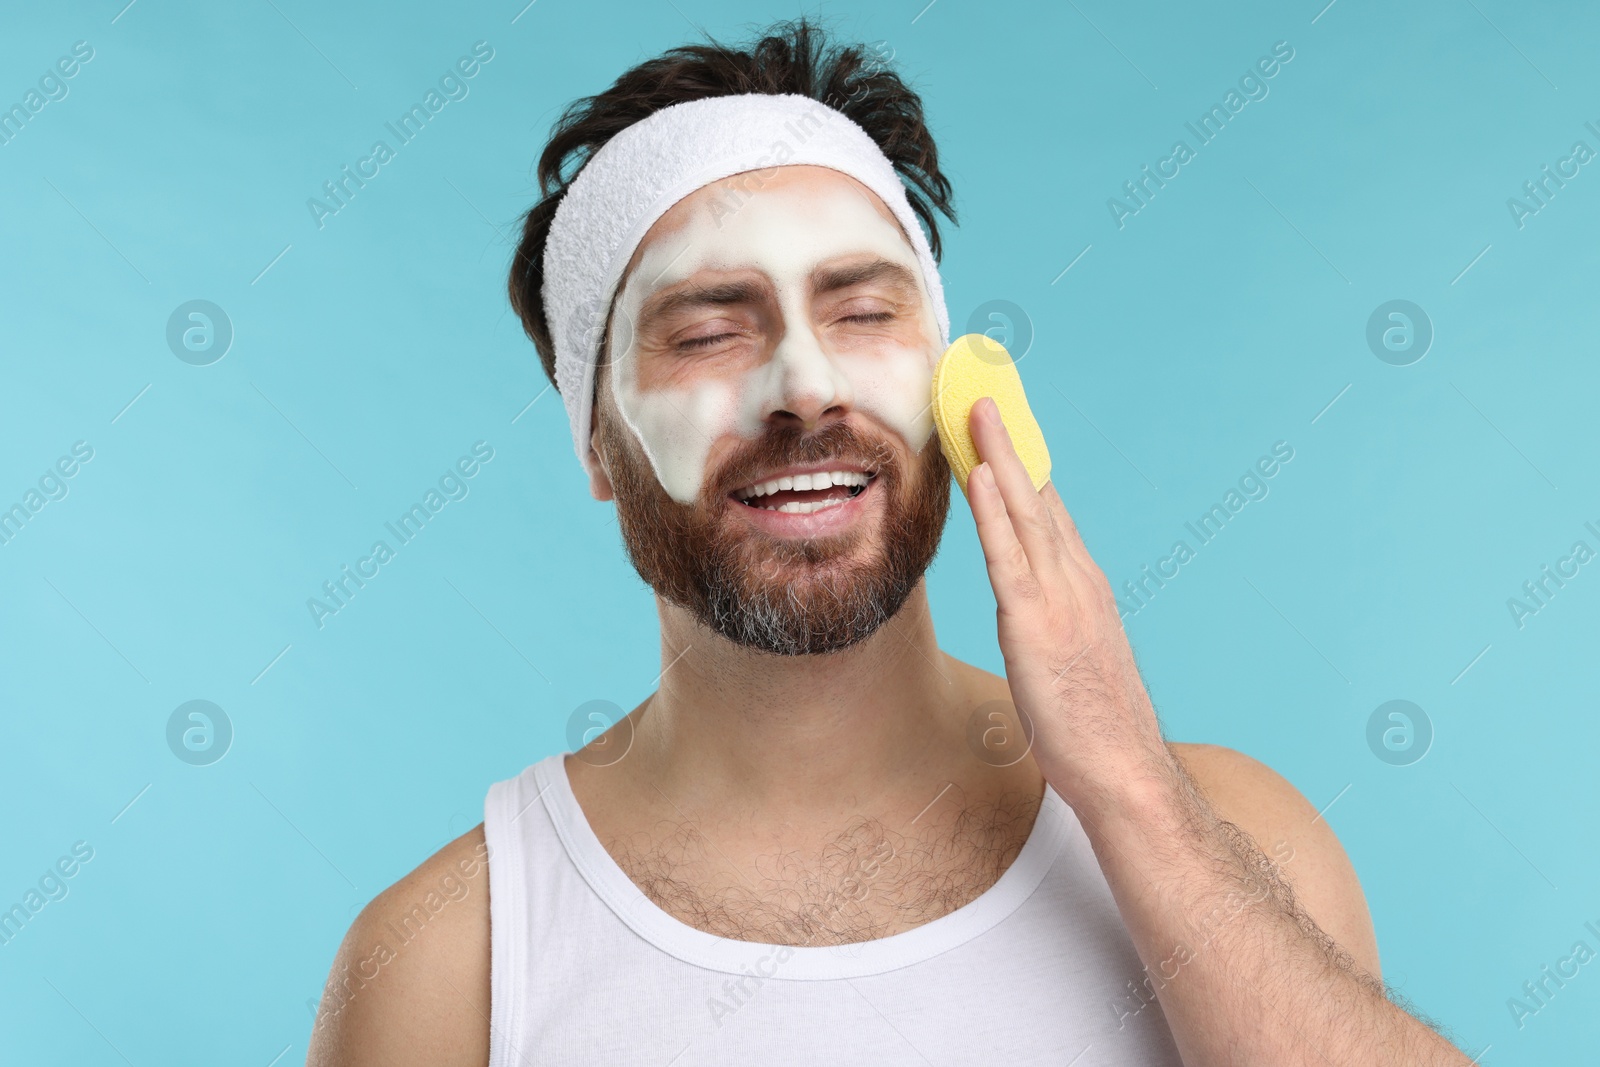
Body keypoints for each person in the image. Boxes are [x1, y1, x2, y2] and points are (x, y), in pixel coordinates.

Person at [308, 19, 1472, 1065]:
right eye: (709, 328)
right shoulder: (451, 964)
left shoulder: (1234, 837)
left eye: (864, 311)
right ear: (597, 444)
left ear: (959, 385)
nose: (805, 387)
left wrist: (1130, 791)